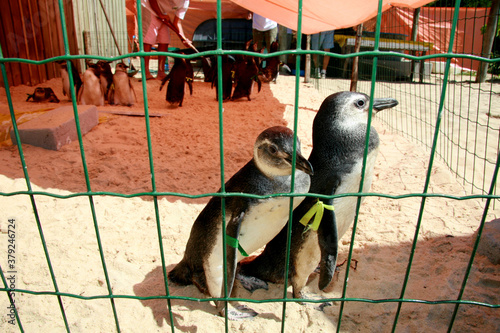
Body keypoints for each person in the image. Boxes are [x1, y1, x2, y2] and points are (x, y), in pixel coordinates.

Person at [141, 0, 192, 80]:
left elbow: (177, 23)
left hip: (162, 12)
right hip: (149, 7)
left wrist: (183, 38)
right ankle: (145, 73)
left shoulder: (185, 3)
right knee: (148, 40)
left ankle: (161, 73)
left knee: (165, 40)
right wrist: (159, 14)